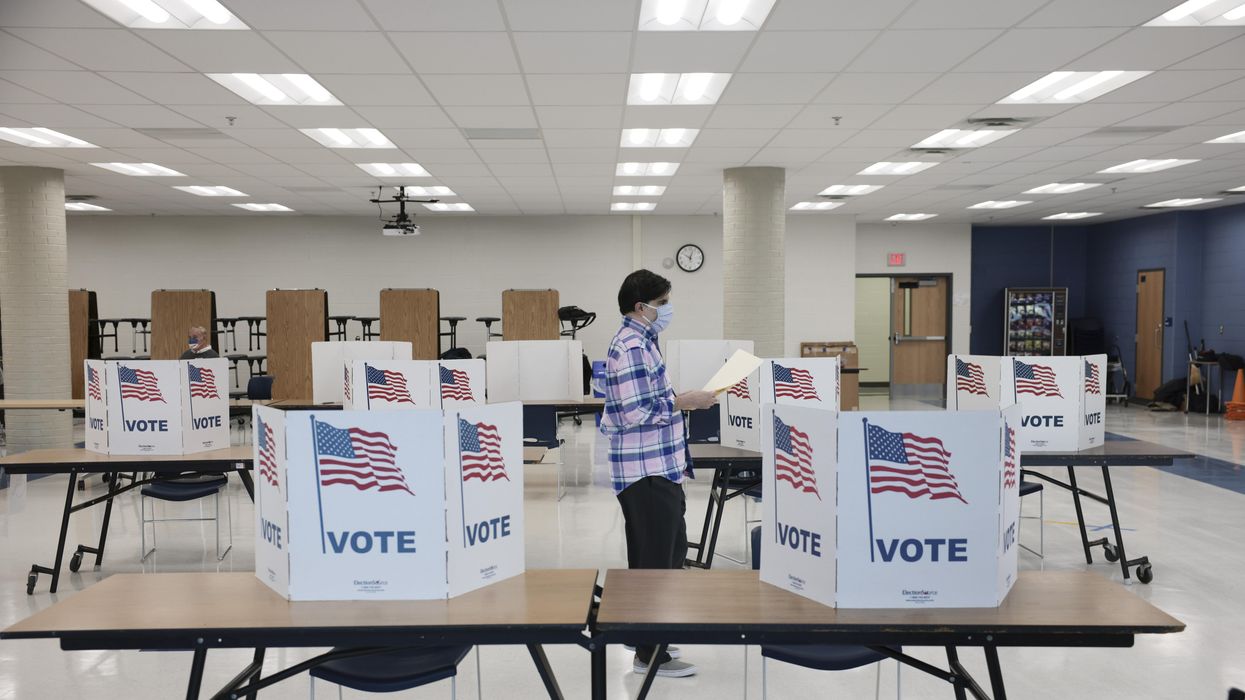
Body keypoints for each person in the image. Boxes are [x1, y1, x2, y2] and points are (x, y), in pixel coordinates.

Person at [599, 269, 717, 678]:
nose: (667, 310)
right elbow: (634, 412)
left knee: (665, 553)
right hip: (645, 470)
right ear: (641, 307)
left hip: (659, 466)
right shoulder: (632, 345)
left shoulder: (644, 342)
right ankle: (650, 654)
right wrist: (685, 402)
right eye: (662, 303)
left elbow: (647, 399)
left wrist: (679, 400)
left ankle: (645, 632)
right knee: (655, 563)